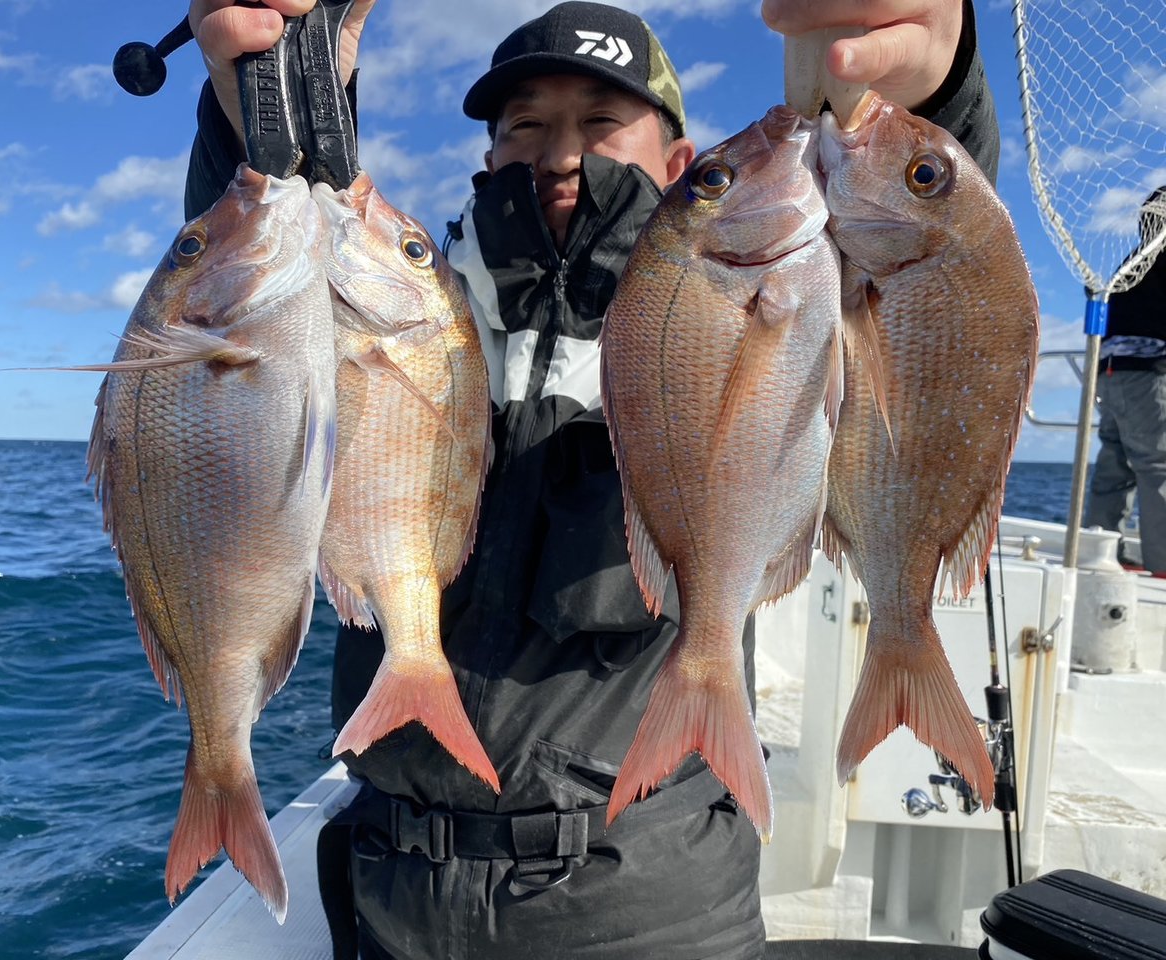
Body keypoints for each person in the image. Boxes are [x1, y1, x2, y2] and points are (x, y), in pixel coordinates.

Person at [183, 1, 1001, 956]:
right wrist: (271, 96)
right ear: (488, 158)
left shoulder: (767, 275)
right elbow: (244, 284)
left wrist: (931, 96)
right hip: (389, 893)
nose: (561, 152)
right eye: (525, 124)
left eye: (602, 120)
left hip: (651, 903)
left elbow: (928, 267)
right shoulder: (406, 298)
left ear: (678, 159)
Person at [1085, 186, 1166, 575]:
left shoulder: (1131, 263)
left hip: (1109, 374)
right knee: (1157, 465)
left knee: (1114, 466)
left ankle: (1101, 554)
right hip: (1146, 377)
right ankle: (1163, 564)